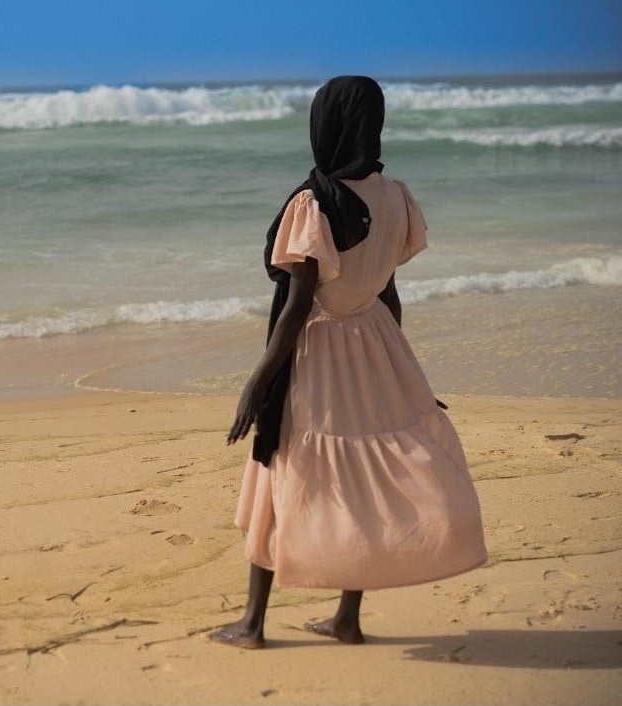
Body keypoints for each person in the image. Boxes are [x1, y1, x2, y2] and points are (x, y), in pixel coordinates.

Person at [211, 76, 488, 650]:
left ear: (327, 124)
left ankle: (252, 624)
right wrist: (398, 371)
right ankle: (346, 619)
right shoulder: (395, 197)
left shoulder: (314, 203)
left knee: (282, 471)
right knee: (362, 478)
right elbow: (388, 292)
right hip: (376, 340)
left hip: (318, 353)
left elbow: (297, 307)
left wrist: (257, 383)